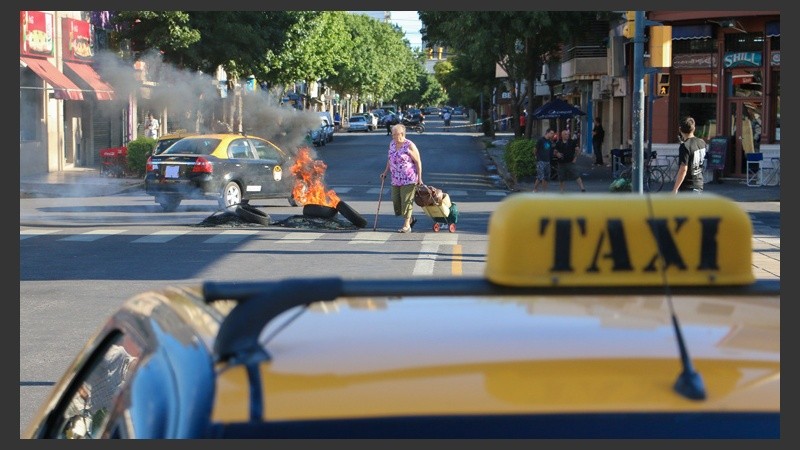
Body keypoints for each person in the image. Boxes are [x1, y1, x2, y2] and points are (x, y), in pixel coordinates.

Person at [381, 124, 423, 233]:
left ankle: (406, 225)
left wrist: (419, 178)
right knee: (396, 200)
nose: (394, 137)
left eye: (396, 134)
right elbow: (390, 159)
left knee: (406, 201)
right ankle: (410, 218)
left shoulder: (409, 145)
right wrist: (385, 172)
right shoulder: (392, 144)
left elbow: (418, 162)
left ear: (402, 134)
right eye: (393, 134)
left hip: (409, 178)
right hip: (395, 178)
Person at [672, 116, 707, 194]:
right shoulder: (702, 142)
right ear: (694, 128)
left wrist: (675, 189)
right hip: (699, 183)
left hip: (688, 186)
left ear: (680, 129)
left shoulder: (685, 146)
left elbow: (683, 169)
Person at [532, 128, 556, 192]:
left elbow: (551, 151)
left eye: (553, 133)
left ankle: (544, 191)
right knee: (540, 177)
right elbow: (535, 149)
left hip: (547, 161)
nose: (552, 135)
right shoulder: (540, 140)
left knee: (546, 177)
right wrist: (536, 157)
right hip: (540, 160)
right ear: (547, 133)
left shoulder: (550, 142)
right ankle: (535, 189)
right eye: (551, 133)